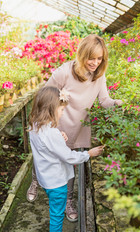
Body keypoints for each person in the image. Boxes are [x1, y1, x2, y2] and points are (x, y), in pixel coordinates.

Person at [27, 34, 123, 222]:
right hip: (57, 123)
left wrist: (119, 103)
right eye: (91, 57)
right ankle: (35, 181)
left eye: (99, 58)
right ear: (82, 54)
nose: (95, 62)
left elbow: (104, 101)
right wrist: (44, 124)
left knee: (69, 164)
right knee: (45, 155)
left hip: (78, 126)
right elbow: (45, 97)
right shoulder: (64, 72)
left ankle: (68, 201)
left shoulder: (99, 76)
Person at [29, 86, 104, 232]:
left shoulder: (34, 125)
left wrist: (59, 136)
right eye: (62, 110)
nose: (62, 114)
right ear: (51, 109)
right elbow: (69, 157)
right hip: (57, 183)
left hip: (46, 179)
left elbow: (47, 146)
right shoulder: (51, 133)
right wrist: (89, 154)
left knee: (54, 210)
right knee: (57, 217)